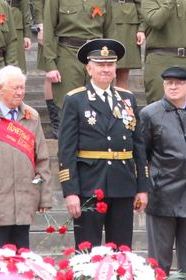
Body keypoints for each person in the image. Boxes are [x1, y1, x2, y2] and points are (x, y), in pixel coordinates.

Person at [58, 39, 148, 248]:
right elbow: (66, 150)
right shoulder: (76, 100)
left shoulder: (127, 99)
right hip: (90, 185)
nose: (105, 69)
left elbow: (139, 146)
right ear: (89, 68)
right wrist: (71, 191)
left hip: (123, 184)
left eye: (110, 64)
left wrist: (142, 187)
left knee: (121, 250)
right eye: (100, 64)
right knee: (87, 252)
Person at [0, 66, 52, 250]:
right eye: (15, 88)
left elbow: (42, 159)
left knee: (22, 259)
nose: (20, 92)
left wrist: (44, 196)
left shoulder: (32, 116)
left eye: (22, 88)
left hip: (25, 199)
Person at [139, 66, 186, 280]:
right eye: (168, 83)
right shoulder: (150, 114)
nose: (173, 87)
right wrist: (145, 188)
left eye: (178, 83)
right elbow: (142, 155)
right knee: (158, 262)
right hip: (162, 194)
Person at [42, 0, 115, 108]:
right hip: (68, 54)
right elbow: (49, 31)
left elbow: (110, 29)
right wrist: (51, 65)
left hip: (96, 54)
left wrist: (110, 61)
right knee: (68, 105)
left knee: (98, 106)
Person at [32, 0, 74, 131]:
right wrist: (40, 24)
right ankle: (56, 120)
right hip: (51, 23)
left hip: (72, 22)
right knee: (51, 70)